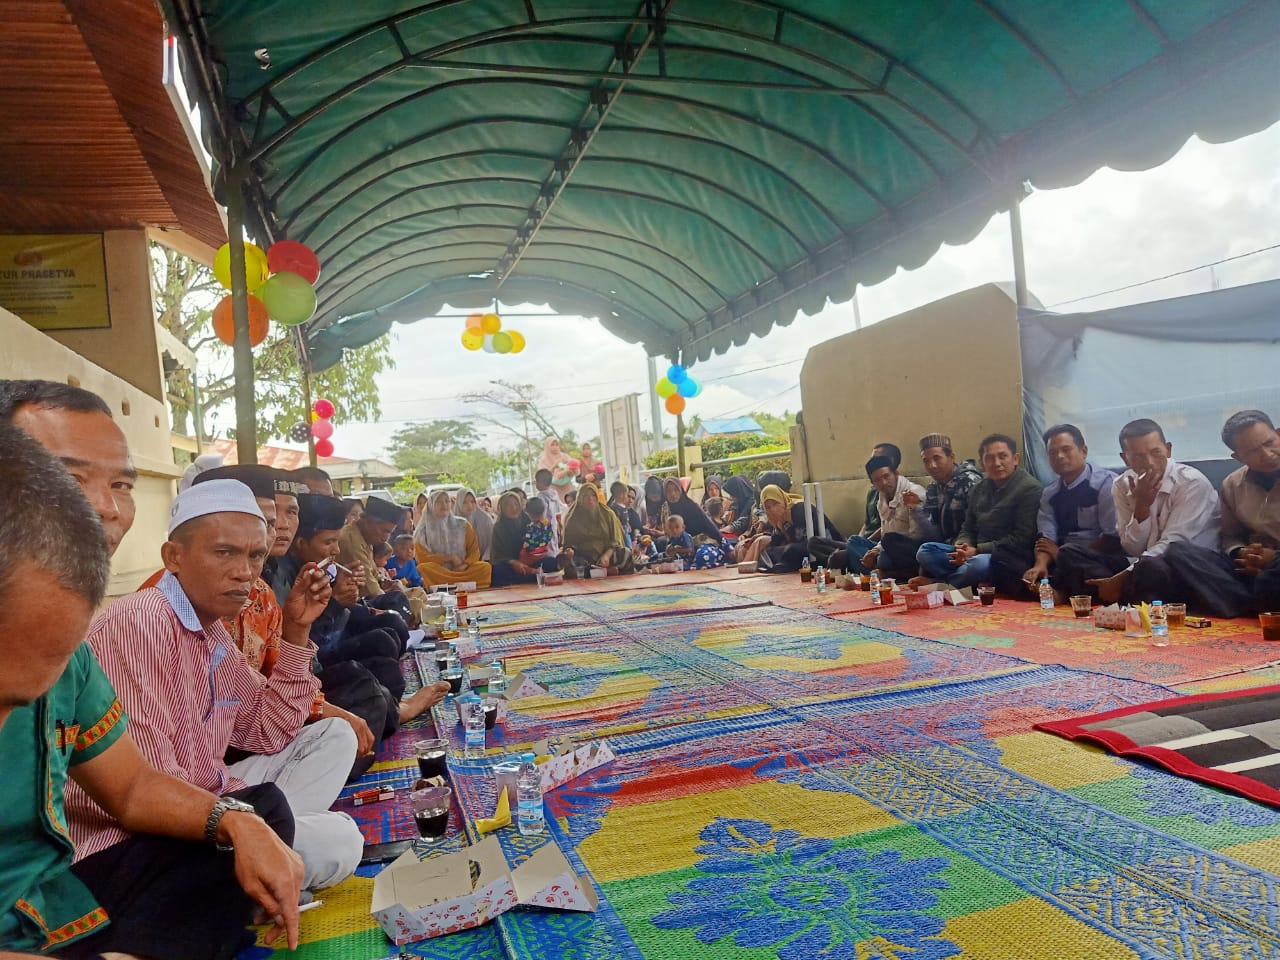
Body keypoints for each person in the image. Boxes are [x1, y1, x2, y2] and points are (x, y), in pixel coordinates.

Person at [0, 410, 305, 960]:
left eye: (120, 485)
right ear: (173, 558)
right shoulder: (132, 623)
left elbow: (140, 785)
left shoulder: (198, 635)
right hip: (95, 860)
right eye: (67, 481)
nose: (104, 508)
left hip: (59, 901)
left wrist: (233, 820)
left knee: (263, 818)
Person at [65, 481, 363, 893]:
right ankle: (262, 869)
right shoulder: (141, 624)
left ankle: (266, 863)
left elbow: (267, 729)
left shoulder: (210, 627)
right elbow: (147, 790)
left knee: (334, 736)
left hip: (210, 798)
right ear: (175, 556)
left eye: (255, 555)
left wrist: (296, 631)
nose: (245, 572)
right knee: (340, 841)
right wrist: (243, 822)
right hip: (138, 839)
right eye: (224, 552)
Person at [1056, 418, 1220, 605]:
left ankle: (1115, 595)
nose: (1149, 463)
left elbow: (1173, 543)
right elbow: (1132, 548)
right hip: (1142, 561)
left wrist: (1125, 576)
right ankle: (1122, 595)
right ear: (1125, 458)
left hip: (1189, 566)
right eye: (1138, 456)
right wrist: (1141, 507)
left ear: (1168, 449)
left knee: (1152, 566)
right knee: (1069, 553)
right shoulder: (1122, 485)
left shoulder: (1191, 483)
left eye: (1155, 452)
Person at [1154, 411, 1280, 618]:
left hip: (1275, 564)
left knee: (1271, 578)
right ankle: (1255, 602)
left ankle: (1252, 601)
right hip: (1251, 565)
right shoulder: (1233, 485)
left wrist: (1273, 559)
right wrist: (1241, 552)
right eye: (1253, 451)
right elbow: (1230, 535)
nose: (1266, 454)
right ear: (1238, 457)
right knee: (1178, 552)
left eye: (1269, 443)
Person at [915, 434, 1042, 591]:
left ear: (1015, 459)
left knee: (977, 565)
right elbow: (967, 526)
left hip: (1005, 556)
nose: (997, 463)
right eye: (989, 458)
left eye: (1003, 456)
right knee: (926, 551)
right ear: (982, 462)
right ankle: (961, 581)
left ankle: (943, 585)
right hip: (973, 551)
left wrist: (977, 550)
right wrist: (962, 546)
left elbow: (1022, 538)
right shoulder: (979, 488)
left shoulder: (1029, 489)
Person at [1022, 424, 1121, 602]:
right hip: (1061, 557)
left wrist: (1061, 554)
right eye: (1053, 453)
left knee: (1070, 554)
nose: (1060, 456)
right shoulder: (1050, 493)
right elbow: (1046, 538)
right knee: (1006, 553)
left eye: (1066, 449)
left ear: (1083, 451)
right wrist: (1041, 564)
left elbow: (1112, 539)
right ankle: (1054, 588)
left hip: (1097, 559)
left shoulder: (1107, 483)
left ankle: (1063, 592)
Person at [843, 454, 932, 577]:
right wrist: (875, 551)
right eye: (877, 480)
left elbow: (917, 536)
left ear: (895, 474)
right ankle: (876, 574)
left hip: (912, 549)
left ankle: (883, 574)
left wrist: (881, 551)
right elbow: (885, 532)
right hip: (888, 547)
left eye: (886, 476)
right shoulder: (881, 500)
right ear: (872, 483)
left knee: (884, 556)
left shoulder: (913, 493)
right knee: (854, 541)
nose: (884, 483)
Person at [744, 483, 844, 572]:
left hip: (823, 545)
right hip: (801, 548)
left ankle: (787, 563)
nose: (773, 510)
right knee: (769, 551)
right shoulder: (778, 520)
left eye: (775, 504)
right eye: (768, 507)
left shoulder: (798, 509)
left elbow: (809, 538)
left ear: (782, 500)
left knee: (791, 550)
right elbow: (776, 541)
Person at [414, 489, 494, 588]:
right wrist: (448, 557)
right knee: (423, 568)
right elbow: (422, 557)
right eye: (439, 502)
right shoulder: (422, 530)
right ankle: (460, 585)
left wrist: (464, 565)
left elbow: (474, 551)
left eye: (447, 501)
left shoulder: (463, 524)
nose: (444, 505)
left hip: (463, 570)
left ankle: (452, 585)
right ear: (431, 505)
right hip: (440, 571)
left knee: (484, 567)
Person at [916, 433, 984, 549]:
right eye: (926, 461)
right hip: (945, 545)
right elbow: (933, 529)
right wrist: (915, 509)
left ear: (951, 457)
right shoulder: (933, 487)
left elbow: (979, 525)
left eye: (937, 458)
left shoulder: (970, 481)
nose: (932, 466)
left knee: (925, 553)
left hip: (970, 547)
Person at [339, 496, 409, 604]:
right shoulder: (351, 541)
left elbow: (375, 576)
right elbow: (371, 591)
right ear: (368, 522)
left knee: (417, 594)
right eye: (385, 531)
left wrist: (388, 583)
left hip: (369, 598)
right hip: (355, 606)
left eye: (390, 533)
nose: (386, 538)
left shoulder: (366, 537)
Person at [561, 483, 635, 575]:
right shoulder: (572, 517)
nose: (590, 499)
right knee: (569, 563)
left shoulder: (607, 514)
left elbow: (614, 541)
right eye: (586, 496)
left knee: (626, 554)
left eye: (593, 495)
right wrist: (569, 551)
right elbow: (568, 545)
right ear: (579, 498)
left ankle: (598, 573)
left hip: (606, 553)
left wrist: (607, 556)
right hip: (583, 556)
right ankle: (606, 572)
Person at [490, 491, 561, 586]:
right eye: (509, 505)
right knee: (499, 569)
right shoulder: (499, 527)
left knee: (550, 562)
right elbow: (498, 554)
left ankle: (533, 576)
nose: (514, 508)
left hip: (530, 561)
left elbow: (537, 543)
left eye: (516, 504)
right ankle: (530, 577)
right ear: (502, 508)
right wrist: (514, 562)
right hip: (510, 565)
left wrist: (537, 554)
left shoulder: (527, 520)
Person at [660, 477, 725, 544]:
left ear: (680, 490)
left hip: (699, 541)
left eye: (675, 490)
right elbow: (667, 532)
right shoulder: (666, 508)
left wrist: (724, 543)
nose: (672, 494)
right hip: (677, 544)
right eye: (668, 491)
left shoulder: (691, 506)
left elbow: (709, 526)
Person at [859, 443, 902, 541]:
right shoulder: (872, 492)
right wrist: (859, 540)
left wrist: (865, 543)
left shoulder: (901, 491)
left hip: (879, 543)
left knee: (836, 554)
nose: (872, 463)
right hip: (864, 542)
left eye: (876, 459)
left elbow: (889, 526)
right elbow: (866, 523)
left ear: (890, 461)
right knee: (817, 543)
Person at [454, 486, 495, 561]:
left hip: (483, 560)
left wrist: (485, 559)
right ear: (459, 503)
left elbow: (492, 543)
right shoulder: (452, 522)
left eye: (472, 502)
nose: (469, 506)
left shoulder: (485, 519)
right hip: (459, 562)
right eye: (464, 502)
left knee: (484, 568)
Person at [520, 497, 556, 565]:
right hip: (545, 550)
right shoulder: (547, 523)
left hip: (532, 554)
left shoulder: (531, 526)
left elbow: (527, 542)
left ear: (529, 513)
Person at [537, 437, 575, 501]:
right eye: (552, 445)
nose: (555, 447)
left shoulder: (564, 456)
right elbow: (543, 476)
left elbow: (573, 467)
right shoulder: (543, 460)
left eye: (556, 444)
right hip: (553, 490)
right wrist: (554, 466)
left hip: (567, 488)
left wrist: (569, 471)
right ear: (547, 446)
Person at [608, 480, 643, 545]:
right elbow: (617, 520)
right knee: (627, 542)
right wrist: (622, 529)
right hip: (621, 531)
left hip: (627, 529)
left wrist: (628, 525)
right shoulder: (614, 507)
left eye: (633, 498)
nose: (630, 500)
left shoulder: (626, 508)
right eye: (628, 496)